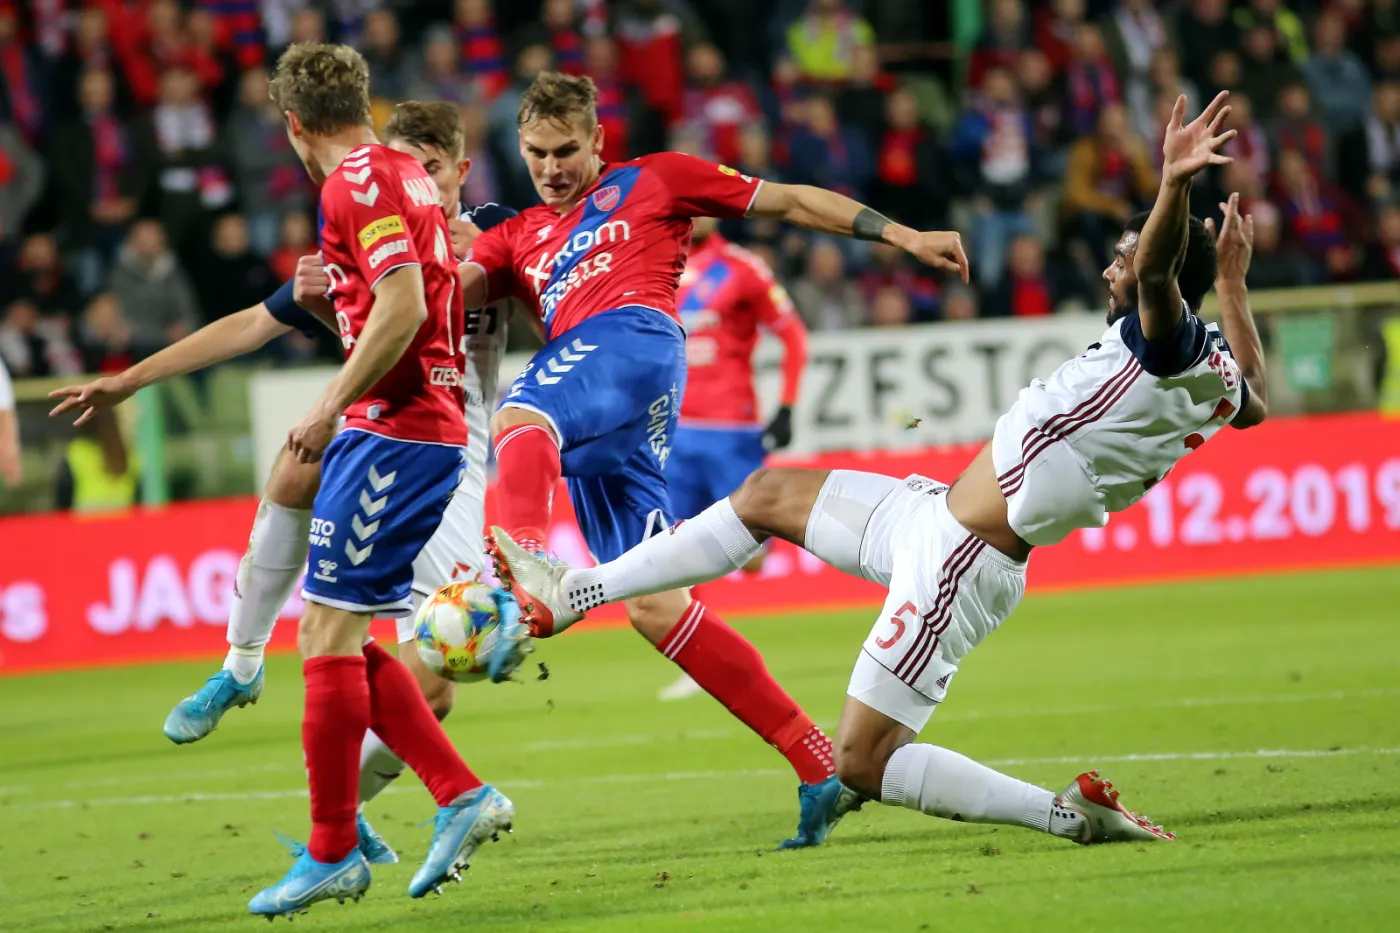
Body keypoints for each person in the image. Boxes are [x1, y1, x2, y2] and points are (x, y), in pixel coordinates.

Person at [488, 92, 1268, 849]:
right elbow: (1256, 398)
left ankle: (1068, 816)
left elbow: (1160, 273)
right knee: (765, 494)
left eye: (1123, 259)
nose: (1109, 272)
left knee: (862, 761)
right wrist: (1233, 285)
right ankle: (575, 589)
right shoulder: (1214, 372)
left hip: (963, 560)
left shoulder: (1162, 339)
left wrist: (1174, 182)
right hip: (929, 517)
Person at [448, 70, 966, 849]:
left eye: (565, 150)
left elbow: (790, 199)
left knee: (521, 416)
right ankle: (815, 759)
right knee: (656, 603)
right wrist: (358, 286)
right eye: (535, 154)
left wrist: (905, 235)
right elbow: (433, 299)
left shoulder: (655, 179)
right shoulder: (514, 236)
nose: (551, 168)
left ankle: (524, 565)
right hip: (601, 404)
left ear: (597, 141)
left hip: (634, 341)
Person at [49, 100, 525, 871]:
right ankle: (241, 664)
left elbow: (540, 306)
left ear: (460, 172)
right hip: (384, 435)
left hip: (453, 462)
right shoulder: (375, 230)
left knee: (432, 690)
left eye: (431, 168)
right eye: (405, 165)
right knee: (298, 470)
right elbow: (247, 325)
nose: (415, 181)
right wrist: (130, 379)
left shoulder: (498, 227)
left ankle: (349, 822)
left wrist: (496, 260)